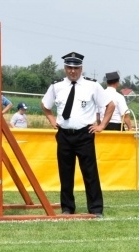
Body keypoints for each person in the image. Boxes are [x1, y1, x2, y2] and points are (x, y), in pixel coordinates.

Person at [41, 51, 114, 217]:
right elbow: (45, 105)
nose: (72, 71)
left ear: (81, 68)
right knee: (65, 172)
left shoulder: (92, 86)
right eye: (69, 67)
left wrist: (102, 125)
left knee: (90, 173)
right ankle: (67, 208)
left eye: (76, 68)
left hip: (84, 135)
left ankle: (95, 209)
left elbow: (110, 105)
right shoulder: (56, 86)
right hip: (64, 135)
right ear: (65, 68)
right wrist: (52, 119)